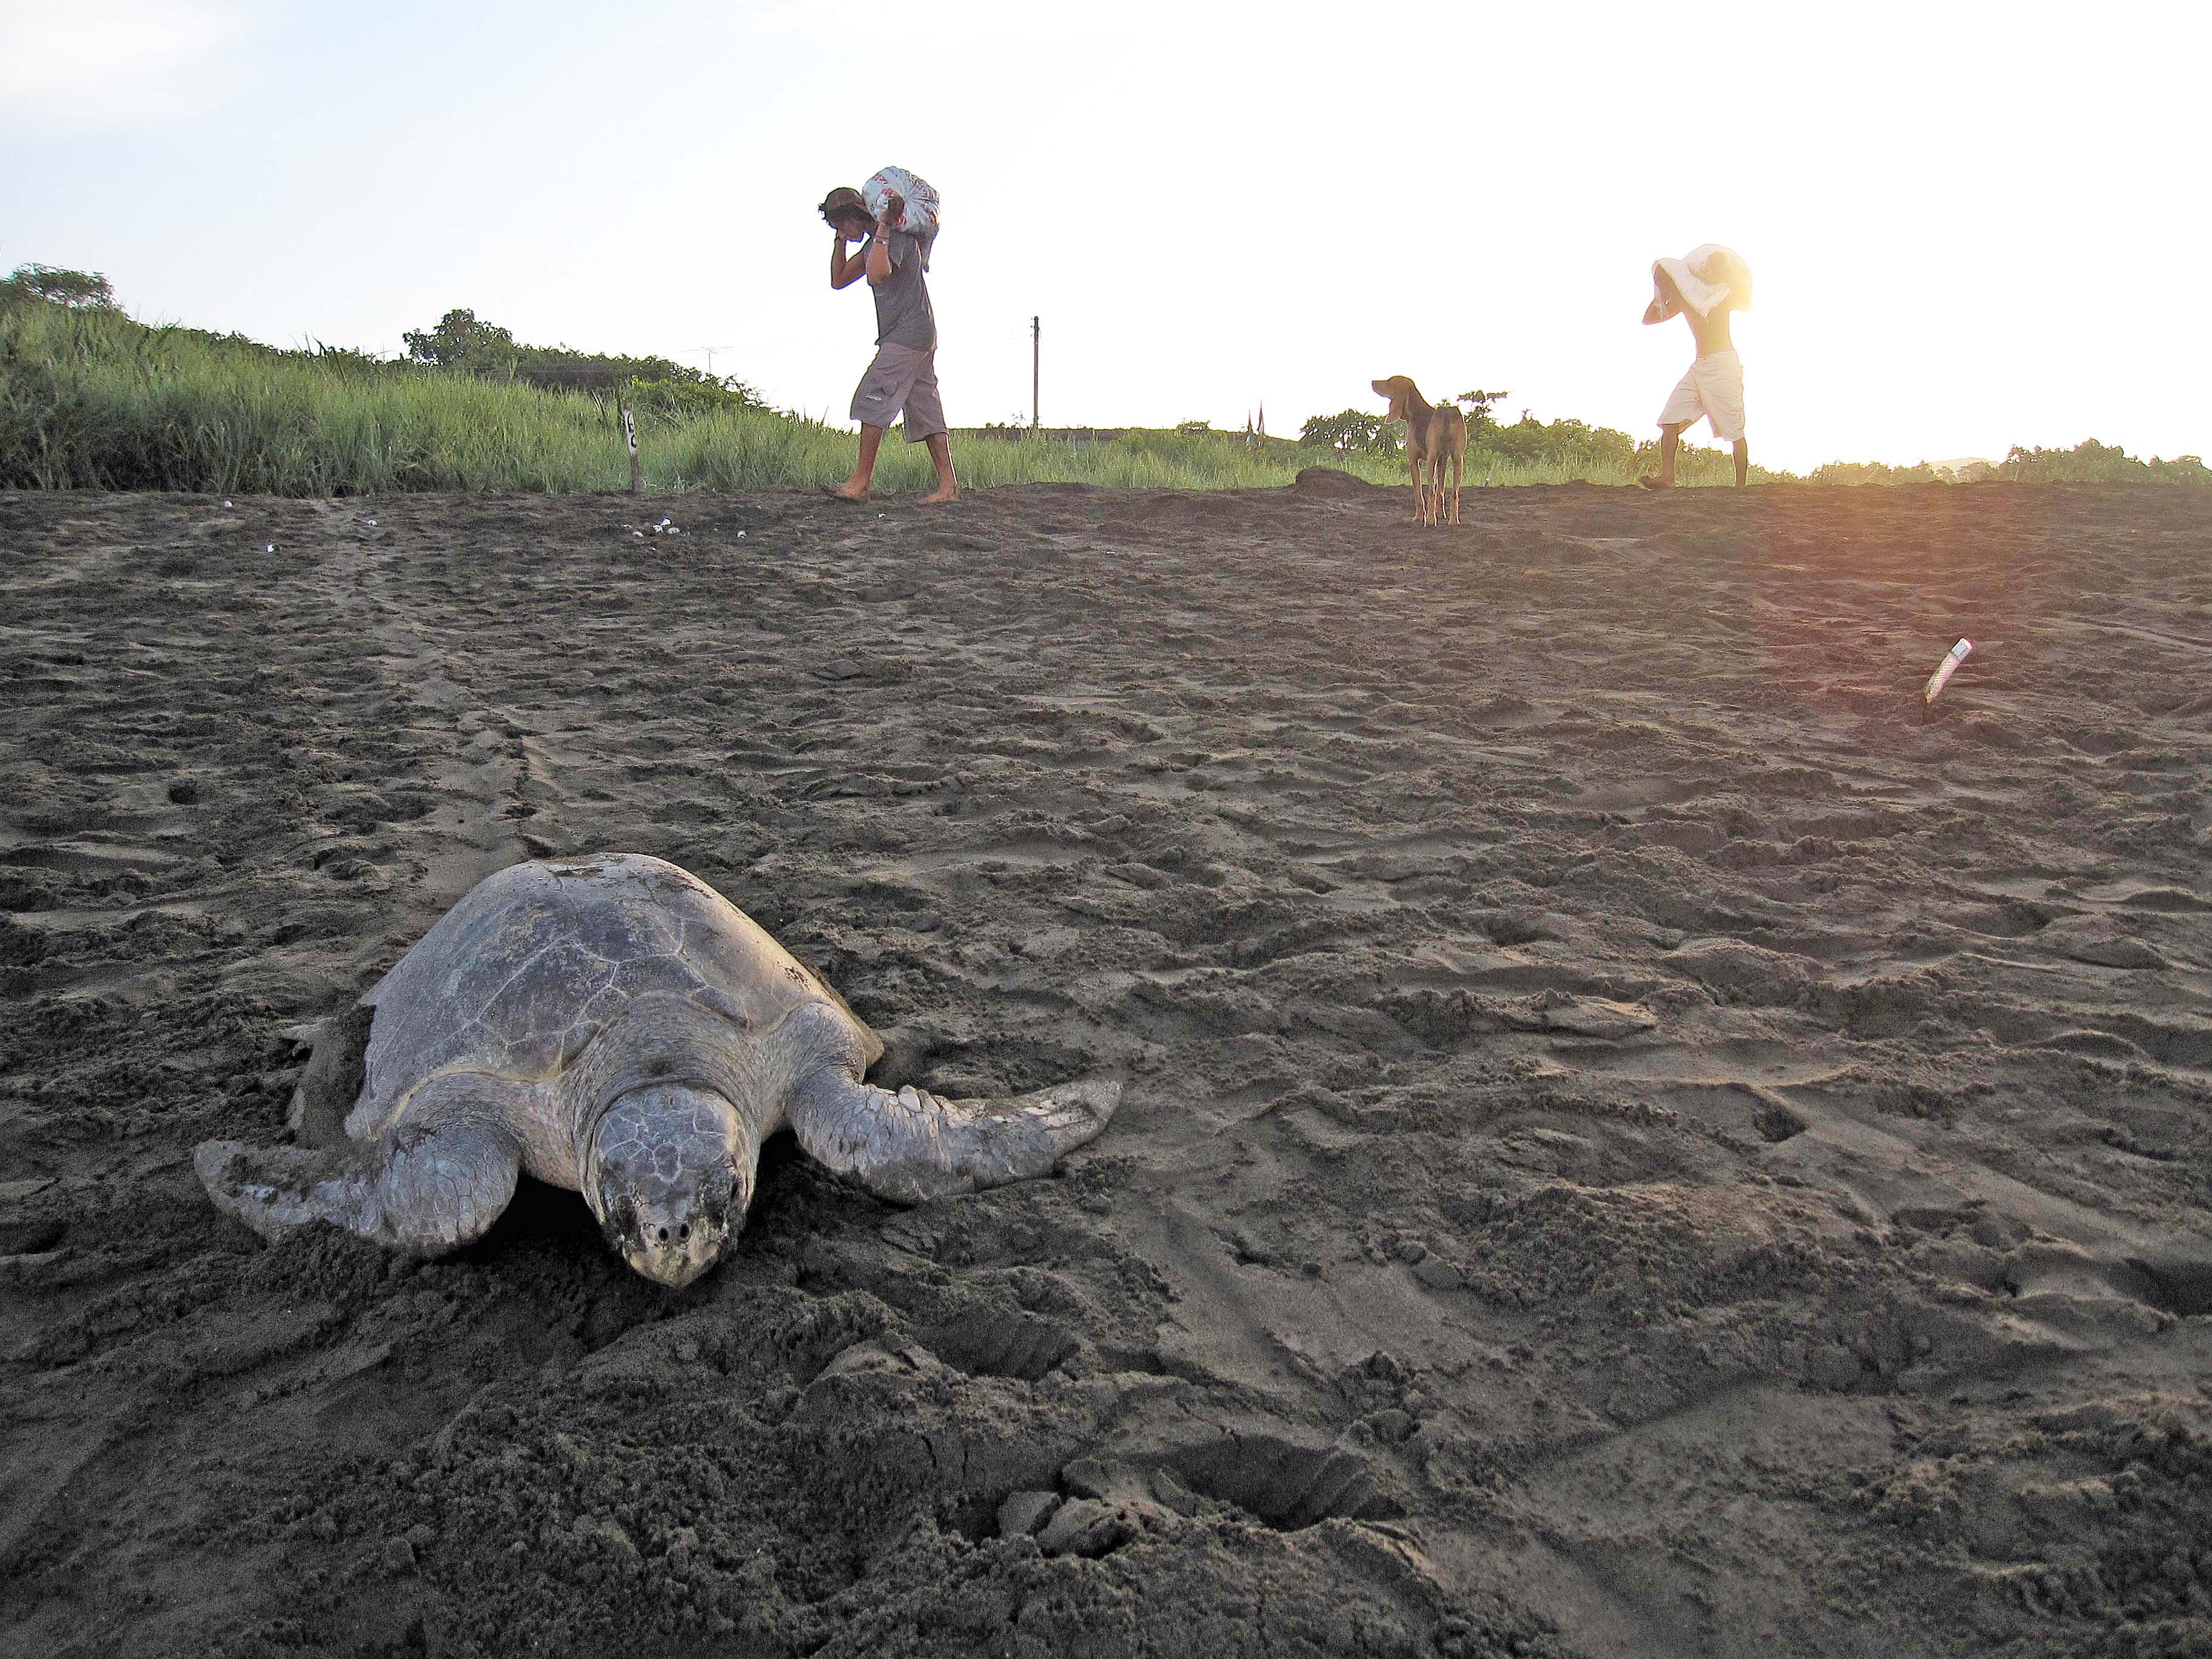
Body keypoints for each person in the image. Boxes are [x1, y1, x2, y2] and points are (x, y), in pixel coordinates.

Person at [819, 185, 957, 504]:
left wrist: (883, 225)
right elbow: (839, 279)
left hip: (907, 334)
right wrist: (840, 242)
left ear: (854, 216)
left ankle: (860, 483)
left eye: (841, 225)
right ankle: (948, 487)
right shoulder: (874, 244)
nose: (842, 231)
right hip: (918, 334)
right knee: (925, 409)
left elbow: (877, 274)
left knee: (873, 396)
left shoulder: (893, 238)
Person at [1638, 244, 1751, 490]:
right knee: (1670, 420)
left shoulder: (1723, 295)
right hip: (1700, 367)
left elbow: (1746, 300)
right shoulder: (1687, 298)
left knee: (1735, 429)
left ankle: (1741, 487)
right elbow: (1648, 319)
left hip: (1723, 367)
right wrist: (1663, 293)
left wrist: (1731, 277)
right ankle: (1667, 477)